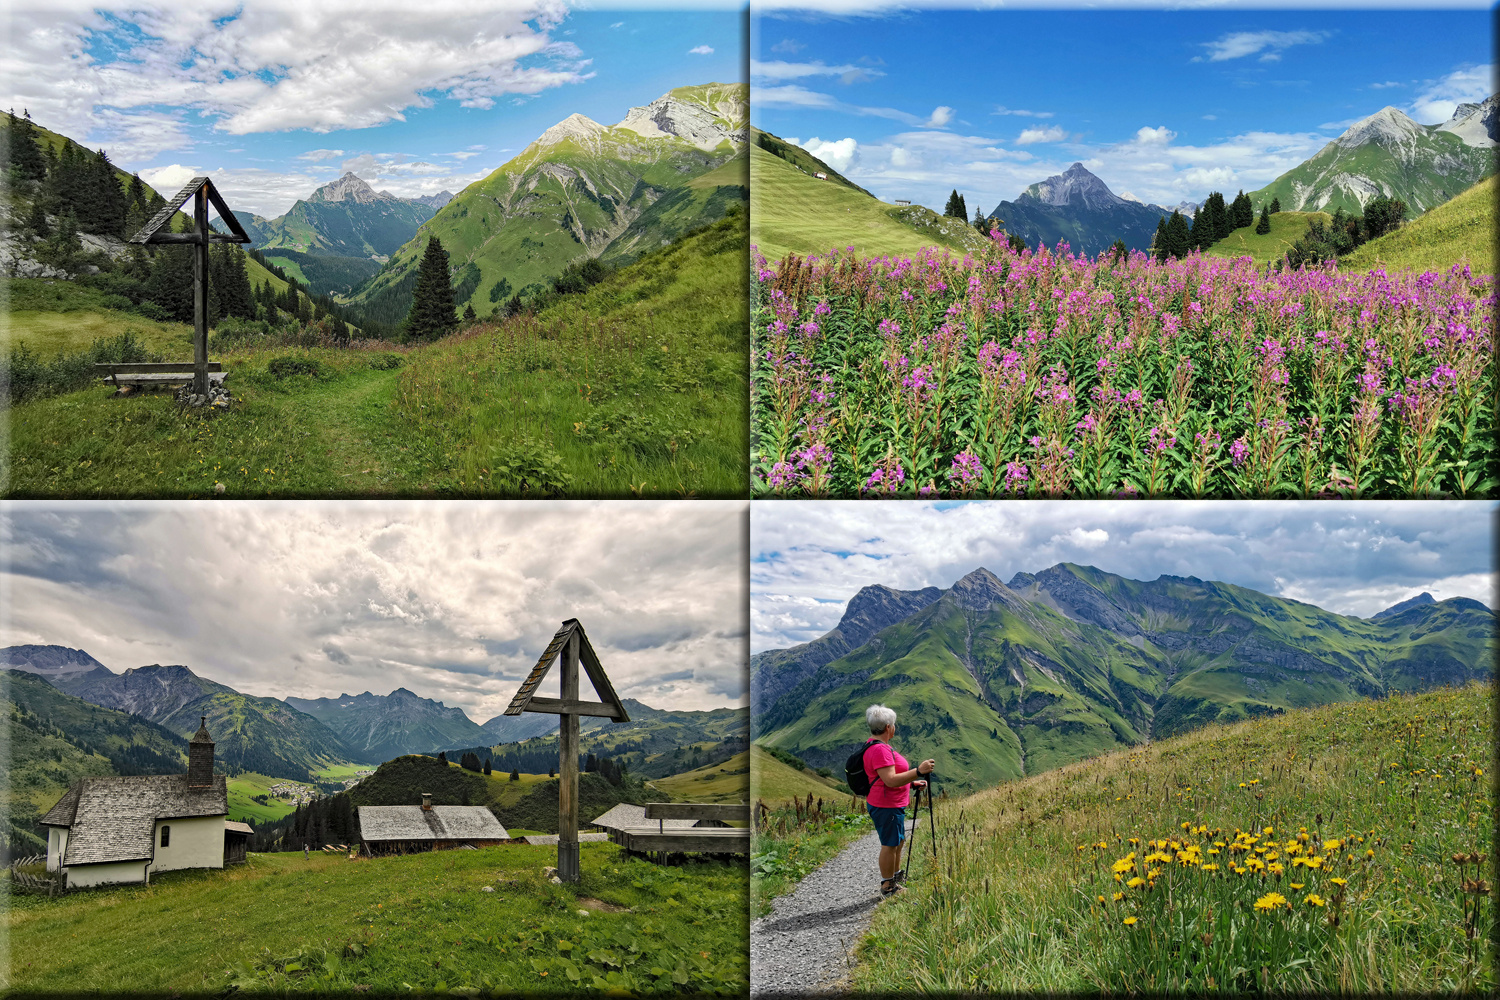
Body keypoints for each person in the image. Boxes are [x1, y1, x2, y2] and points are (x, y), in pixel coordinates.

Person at [860, 703, 934, 896]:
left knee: (897, 842)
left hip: (891, 803)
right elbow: (890, 780)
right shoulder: (880, 750)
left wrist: (911, 784)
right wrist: (918, 771)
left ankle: (895, 876)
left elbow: (886, 778)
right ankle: (888, 886)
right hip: (886, 805)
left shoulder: (875, 746)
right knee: (890, 844)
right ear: (888, 727)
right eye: (893, 724)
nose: (894, 727)